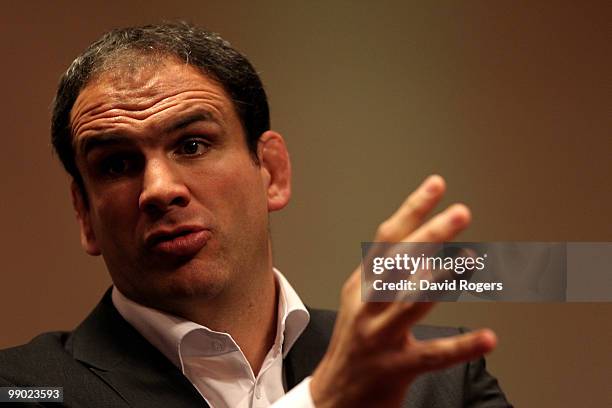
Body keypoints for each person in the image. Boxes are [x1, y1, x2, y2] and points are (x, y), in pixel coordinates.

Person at [0, 22, 511, 407]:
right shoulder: (24, 389)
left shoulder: (434, 377)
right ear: (84, 214)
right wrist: (324, 399)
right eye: (116, 164)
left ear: (270, 170)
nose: (158, 189)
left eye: (193, 144)